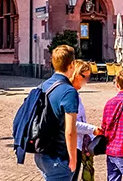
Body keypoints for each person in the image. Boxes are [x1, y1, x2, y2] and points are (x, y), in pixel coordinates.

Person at [25, 45, 85, 181]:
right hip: (58, 155)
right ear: (72, 64)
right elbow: (70, 130)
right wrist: (73, 159)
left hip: (41, 152)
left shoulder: (44, 85)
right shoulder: (69, 91)